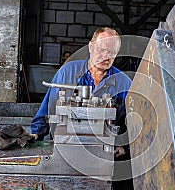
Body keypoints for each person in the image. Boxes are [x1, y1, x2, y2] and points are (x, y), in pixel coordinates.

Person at [31, 27, 132, 158]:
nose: (105, 56)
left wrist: (125, 147)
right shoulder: (67, 72)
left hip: (104, 156)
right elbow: (46, 110)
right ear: (90, 47)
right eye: (101, 50)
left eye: (111, 52)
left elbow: (135, 122)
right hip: (65, 151)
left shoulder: (124, 83)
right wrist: (35, 137)